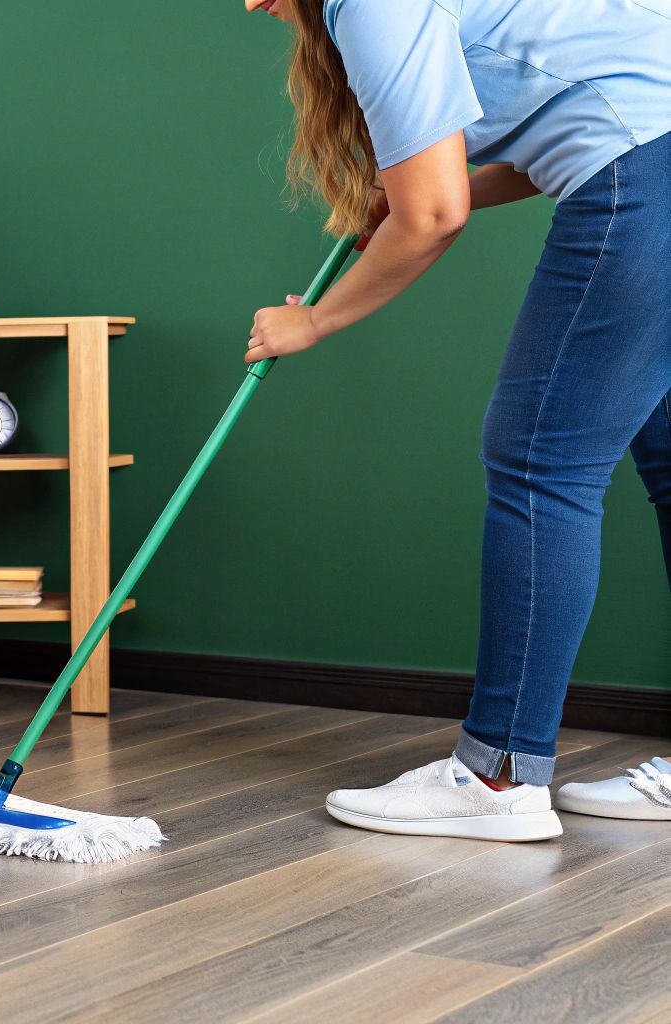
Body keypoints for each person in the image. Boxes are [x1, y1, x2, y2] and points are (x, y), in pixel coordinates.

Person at [244, 0, 671, 839]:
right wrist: (410, 195)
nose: (248, 3)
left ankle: (499, 776)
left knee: (540, 463)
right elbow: (560, 131)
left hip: (649, 178)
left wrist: (316, 318)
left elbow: (436, 215)